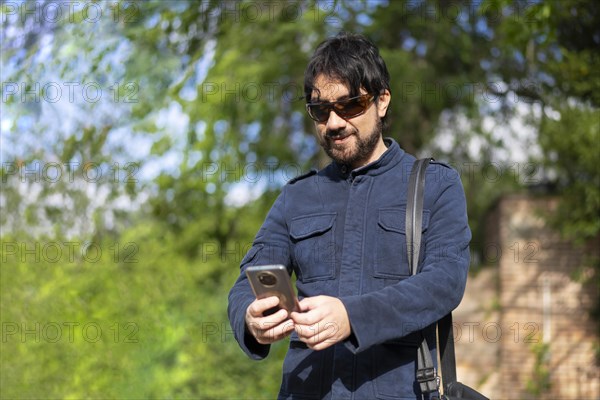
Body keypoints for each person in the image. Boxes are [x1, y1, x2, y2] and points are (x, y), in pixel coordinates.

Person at [228, 32, 471, 400]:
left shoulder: (436, 184)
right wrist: (251, 318)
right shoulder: (297, 196)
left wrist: (352, 317)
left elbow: (445, 281)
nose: (335, 122)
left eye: (350, 105)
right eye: (321, 110)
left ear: (382, 101)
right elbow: (248, 281)